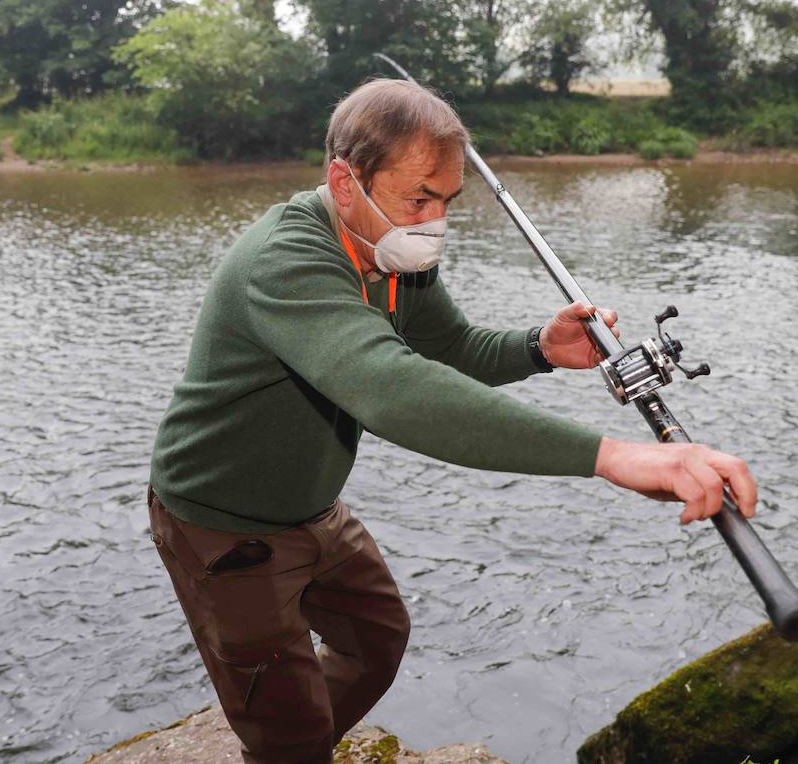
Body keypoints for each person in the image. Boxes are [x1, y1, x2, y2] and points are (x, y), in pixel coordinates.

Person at [146, 78, 758, 763]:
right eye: (419, 198)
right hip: (225, 525)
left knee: (376, 639)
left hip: (312, 506)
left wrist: (539, 347)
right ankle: (286, 745)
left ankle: (295, 739)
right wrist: (614, 456)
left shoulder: (394, 249)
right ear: (344, 183)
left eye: (446, 200)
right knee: (285, 732)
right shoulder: (287, 262)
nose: (434, 221)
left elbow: (450, 349)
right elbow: (394, 387)